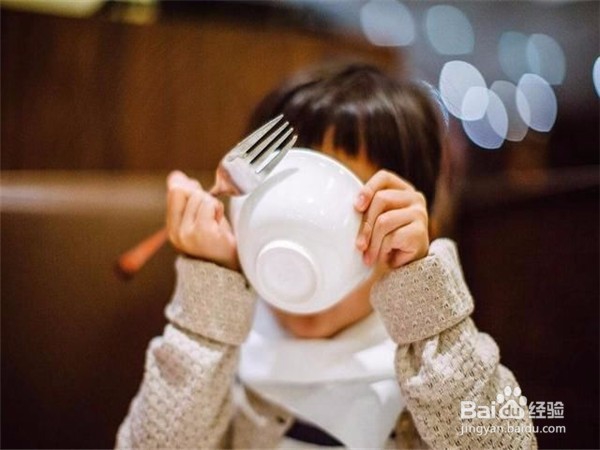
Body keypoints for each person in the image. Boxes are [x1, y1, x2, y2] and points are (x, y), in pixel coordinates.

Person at [116, 63, 537, 449]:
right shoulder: (222, 342)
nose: (305, 227)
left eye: (350, 208)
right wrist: (209, 290)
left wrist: (423, 292)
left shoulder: (435, 358)